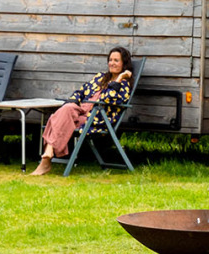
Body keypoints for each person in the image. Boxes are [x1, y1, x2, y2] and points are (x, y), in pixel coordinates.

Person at [30, 47, 134, 176]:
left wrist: (120, 78)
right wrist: (73, 101)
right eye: (110, 60)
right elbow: (81, 91)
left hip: (96, 118)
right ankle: (49, 152)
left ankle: (47, 155)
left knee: (56, 118)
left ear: (124, 63)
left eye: (116, 60)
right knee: (66, 109)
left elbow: (110, 97)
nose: (112, 63)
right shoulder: (100, 77)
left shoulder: (124, 84)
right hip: (81, 110)